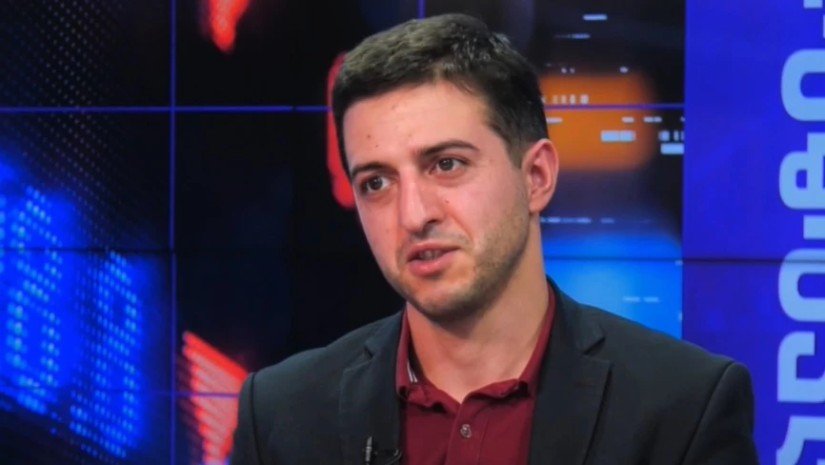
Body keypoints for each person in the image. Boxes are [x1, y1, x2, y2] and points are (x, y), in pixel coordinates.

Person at [230, 13, 758, 465]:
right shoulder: (282, 414)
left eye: (446, 164)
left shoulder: (683, 409)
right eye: (376, 183)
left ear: (536, 177)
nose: (413, 215)